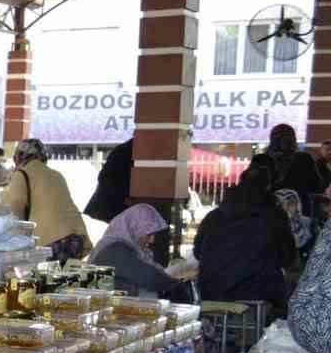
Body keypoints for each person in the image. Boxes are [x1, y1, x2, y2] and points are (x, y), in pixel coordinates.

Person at [194, 166, 296, 313]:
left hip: (212, 293)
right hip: (259, 297)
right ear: (267, 187)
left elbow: (198, 252)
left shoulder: (214, 216)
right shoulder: (275, 217)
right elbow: (287, 257)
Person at [3, 138, 92, 260]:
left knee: (43, 278)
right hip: (76, 237)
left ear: (19, 156)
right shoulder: (56, 174)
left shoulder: (22, 173)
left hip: (52, 240)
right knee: (67, 277)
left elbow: (14, 206)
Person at [86, 203, 194, 300]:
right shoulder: (116, 250)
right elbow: (149, 277)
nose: (152, 240)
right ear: (134, 228)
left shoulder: (124, 246)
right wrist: (177, 285)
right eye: (148, 235)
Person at [262, 122, 325, 214]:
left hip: (270, 213)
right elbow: (317, 186)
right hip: (300, 212)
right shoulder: (304, 158)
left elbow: (253, 188)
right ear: (293, 139)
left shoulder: (262, 159)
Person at [84, 137, 133, 223]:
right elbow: (106, 178)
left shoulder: (124, 149)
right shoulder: (127, 150)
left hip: (107, 208)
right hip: (109, 207)